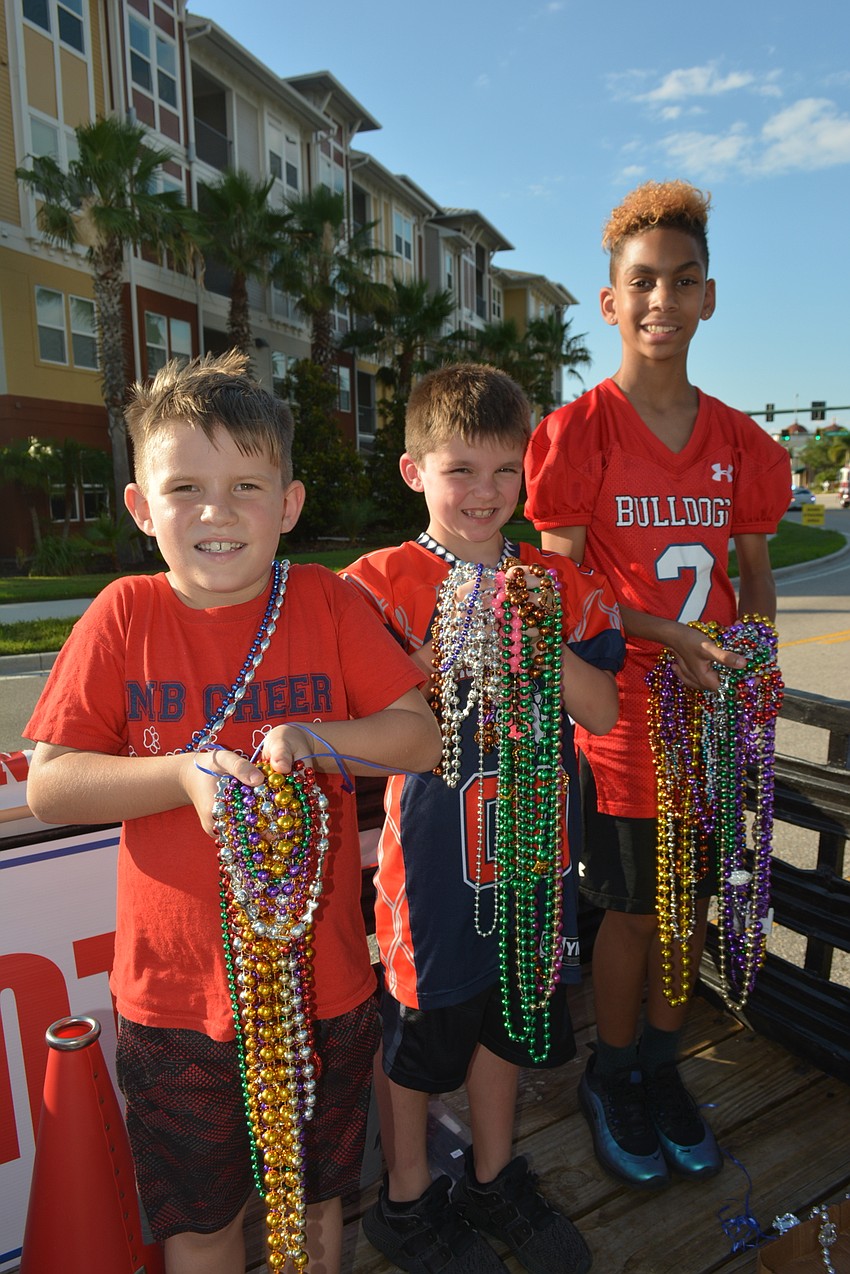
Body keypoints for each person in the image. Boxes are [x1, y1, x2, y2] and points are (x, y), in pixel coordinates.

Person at [24, 351, 442, 1274]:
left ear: (288, 505)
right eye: (186, 488)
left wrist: (323, 737)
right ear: (140, 507)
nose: (217, 512)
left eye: (247, 485)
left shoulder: (326, 601)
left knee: (318, 1209)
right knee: (203, 1226)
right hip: (173, 1005)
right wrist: (182, 778)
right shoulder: (124, 614)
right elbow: (51, 781)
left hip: (324, 990)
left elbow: (420, 738)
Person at [524, 180, 790, 1189]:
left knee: (696, 904)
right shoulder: (577, 430)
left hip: (715, 708)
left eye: (681, 281)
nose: (660, 300)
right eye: (641, 282)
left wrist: (751, 649)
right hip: (628, 709)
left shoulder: (740, 441)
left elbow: (753, 568)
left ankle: (660, 1066)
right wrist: (662, 630)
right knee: (636, 911)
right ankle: (613, 1072)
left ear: (708, 297)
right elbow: (560, 582)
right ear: (609, 301)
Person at [342, 363, 625, 1274]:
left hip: (533, 860)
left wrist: (538, 645)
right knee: (423, 1043)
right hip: (432, 871)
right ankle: (407, 1199)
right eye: (463, 469)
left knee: (511, 1020)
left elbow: (605, 712)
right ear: (414, 471)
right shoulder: (375, 587)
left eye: (508, 471)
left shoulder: (556, 580)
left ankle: (494, 1177)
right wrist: (426, 664)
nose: (488, 492)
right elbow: (361, 731)